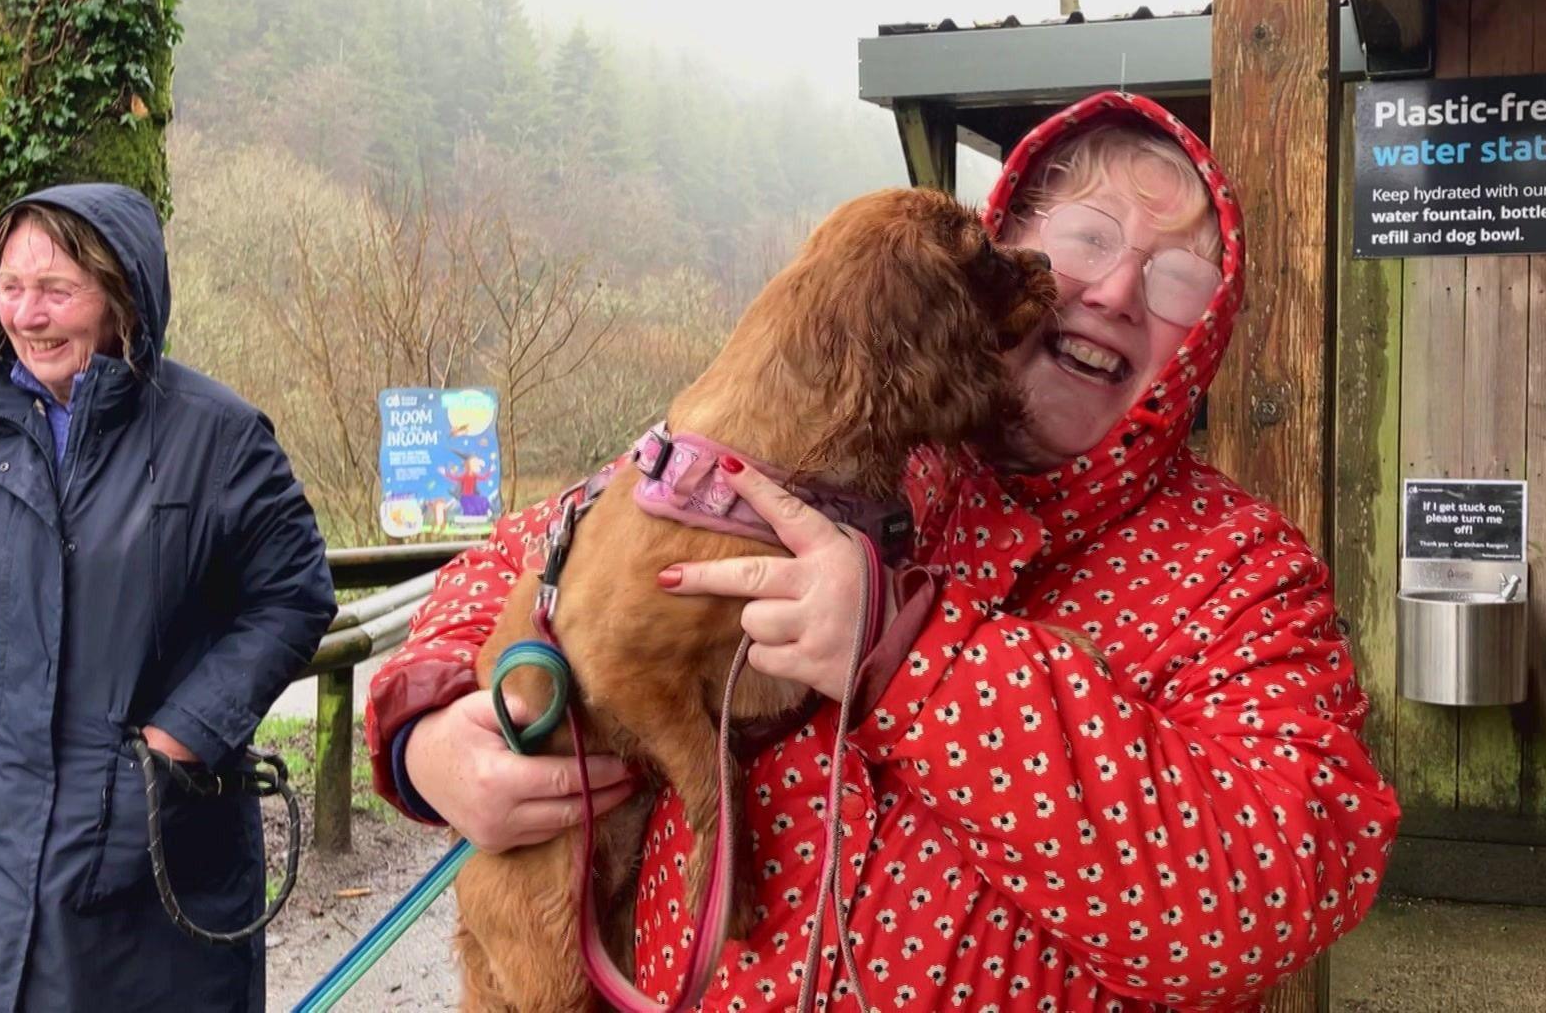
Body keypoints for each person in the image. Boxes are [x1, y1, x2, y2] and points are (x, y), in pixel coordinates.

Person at [365, 92, 1400, 1009]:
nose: (1116, 291)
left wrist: (916, 658)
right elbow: (536, 555)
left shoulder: (1238, 570)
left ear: (1203, 338)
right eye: (1086, 237)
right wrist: (434, 735)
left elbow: (1266, 892)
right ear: (1001, 255)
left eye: (1175, 278)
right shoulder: (826, 440)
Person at [0, 184, 337, 1011]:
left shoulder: (215, 435)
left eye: (57, 291)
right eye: (10, 287)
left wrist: (182, 738)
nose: (27, 315)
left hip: (149, 842)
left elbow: (292, 595)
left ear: (122, 295)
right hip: (1, 836)